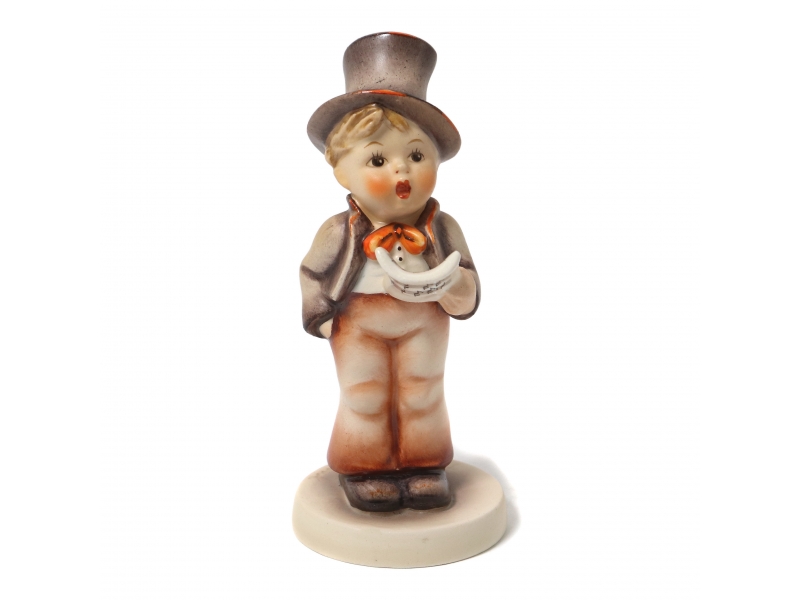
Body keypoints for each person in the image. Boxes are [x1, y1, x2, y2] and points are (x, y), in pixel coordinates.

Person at [300, 33, 480, 511]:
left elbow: (469, 283)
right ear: (342, 171)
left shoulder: (443, 228)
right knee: (364, 394)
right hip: (359, 322)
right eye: (378, 159)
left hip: (425, 319)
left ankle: (423, 465)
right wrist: (323, 317)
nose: (402, 173)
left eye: (417, 156)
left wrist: (454, 286)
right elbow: (312, 275)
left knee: (423, 390)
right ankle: (365, 467)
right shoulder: (337, 231)